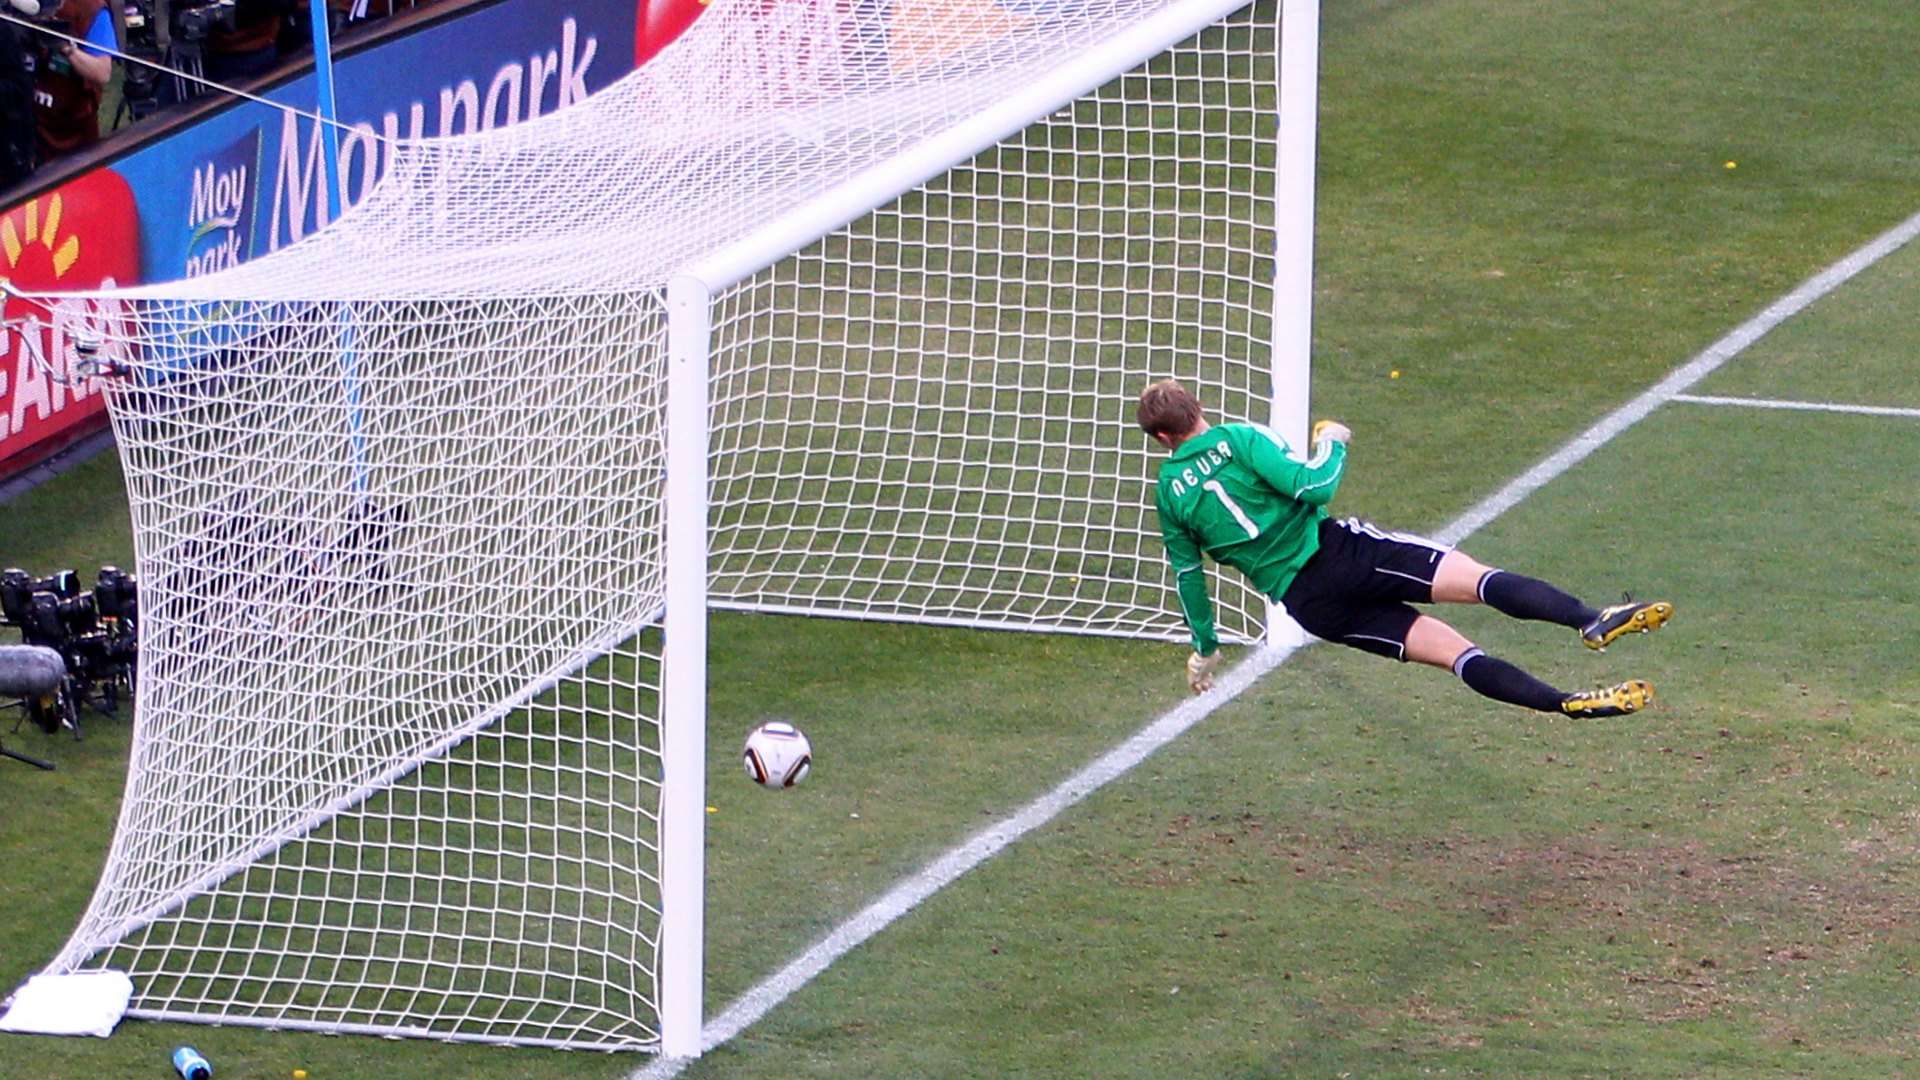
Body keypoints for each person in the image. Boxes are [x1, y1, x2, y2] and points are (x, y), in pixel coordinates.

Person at [1138, 379, 1673, 717]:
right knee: (1480, 582)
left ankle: (1565, 703)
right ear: (1197, 408)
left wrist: (1205, 650)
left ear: (1163, 439)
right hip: (1343, 553)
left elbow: (1189, 578)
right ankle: (1588, 618)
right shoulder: (1239, 439)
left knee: (1458, 656)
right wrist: (1332, 442)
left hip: (1310, 604)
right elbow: (1314, 486)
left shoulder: (1168, 495)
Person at [31, 0, 115, 158]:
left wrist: (66, 49)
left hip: (72, 132)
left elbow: (102, 73)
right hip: (25, 124)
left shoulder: (91, 9)